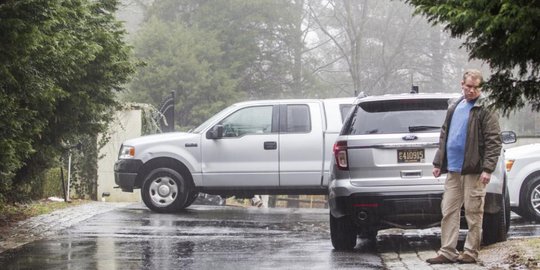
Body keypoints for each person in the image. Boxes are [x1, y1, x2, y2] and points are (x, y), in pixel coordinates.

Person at [426, 69, 502, 264]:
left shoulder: (485, 109)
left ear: (480, 88)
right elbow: (445, 135)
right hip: (453, 169)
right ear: (462, 85)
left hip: (474, 170)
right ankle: (447, 251)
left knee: (473, 212)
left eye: (475, 88)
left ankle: (470, 252)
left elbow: (494, 141)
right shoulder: (455, 106)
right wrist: (438, 162)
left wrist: (487, 169)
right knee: (448, 210)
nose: (471, 91)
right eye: (468, 86)